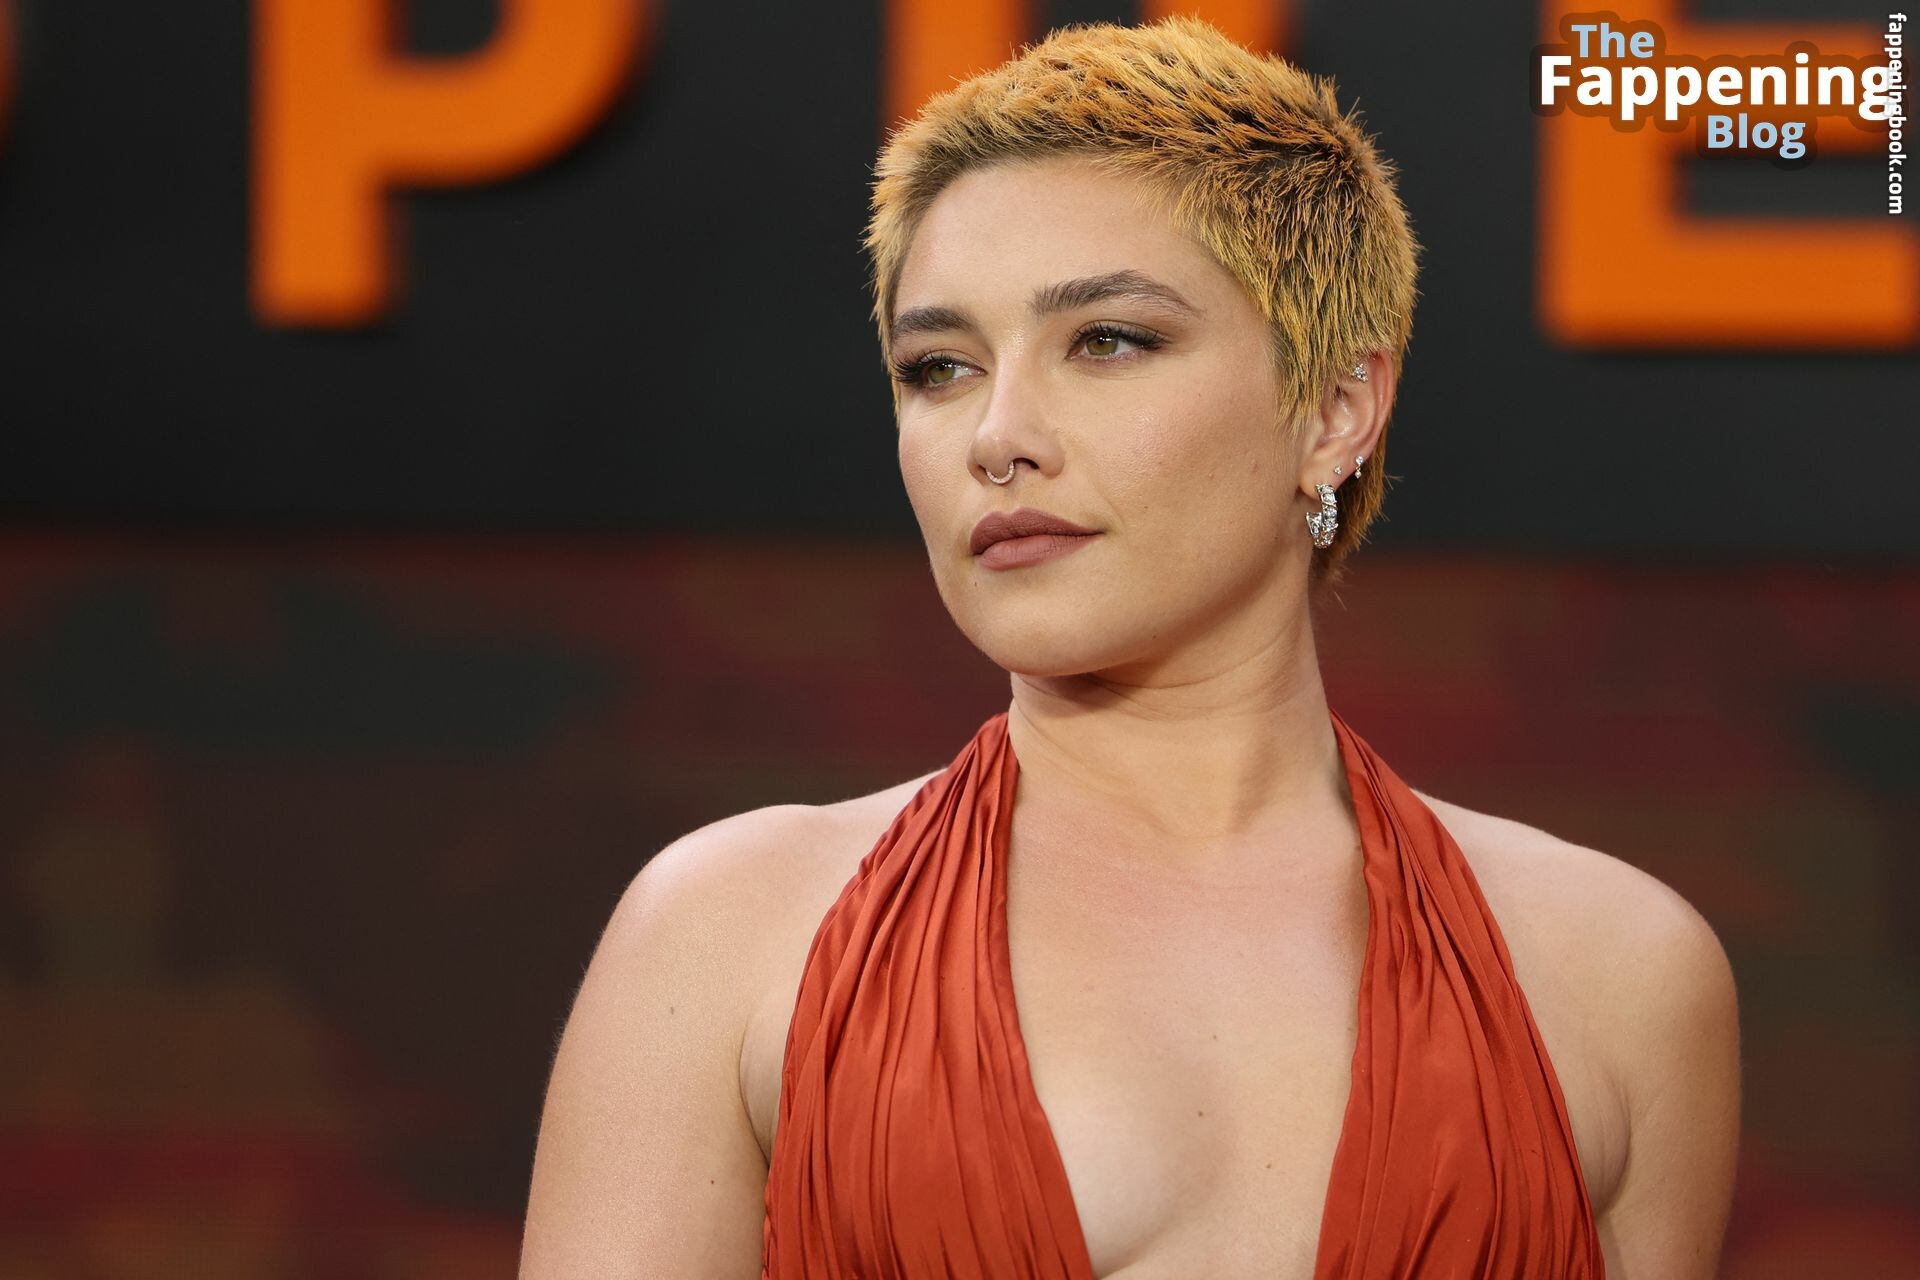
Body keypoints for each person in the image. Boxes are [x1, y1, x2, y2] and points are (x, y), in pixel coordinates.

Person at [519, 16, 1740, 1278]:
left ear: (1335, 410)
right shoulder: (729, 933)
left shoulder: (1616, 969)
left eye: (1107, 340)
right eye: (937, 367)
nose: (998, 435)